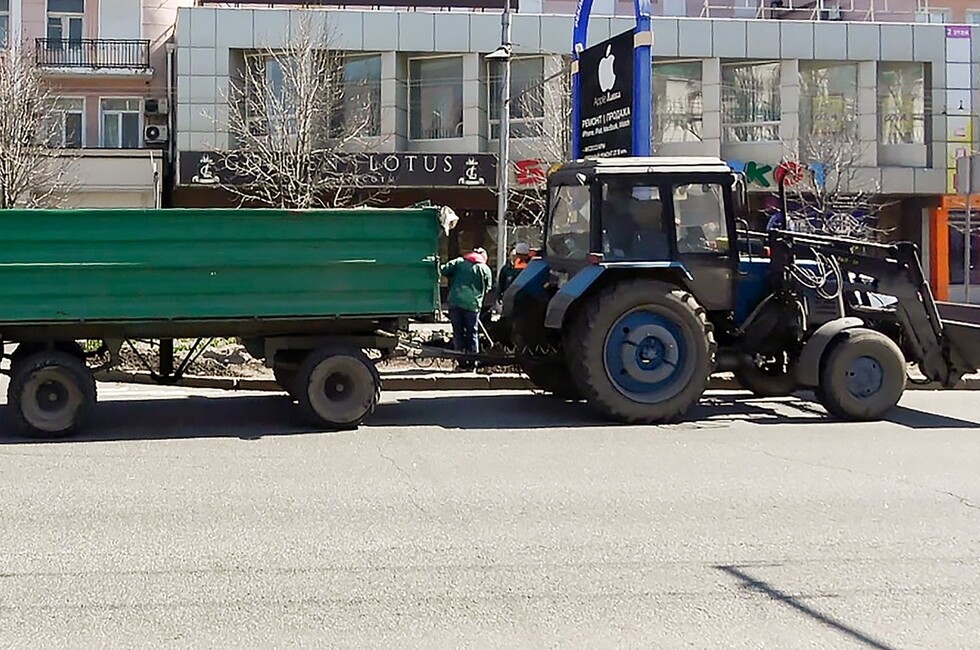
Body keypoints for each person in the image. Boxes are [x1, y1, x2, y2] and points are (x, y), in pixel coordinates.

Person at [440, 247, 493, 370]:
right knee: (472, 333)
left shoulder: (459, 262)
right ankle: (473, 363)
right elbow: (488, 287)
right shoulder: (485, 269)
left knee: (458, 333)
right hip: (472, 305)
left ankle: (462, 363)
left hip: (455, 302)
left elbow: (444, 270)